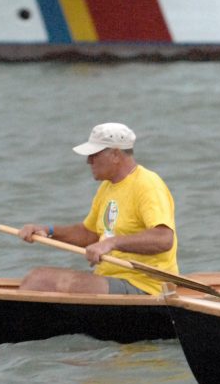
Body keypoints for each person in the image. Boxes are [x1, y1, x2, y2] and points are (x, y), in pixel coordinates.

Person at [15, 123, 178, 295]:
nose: (88, 161)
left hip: (145, 284)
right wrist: (47, 230)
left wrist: (111, 243)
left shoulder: (147, 185)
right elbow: (89, 234)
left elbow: (164, 238)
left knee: (38, 280)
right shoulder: (107, 187)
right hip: (110, 277)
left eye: (94, 155)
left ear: (115, 154)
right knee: (37, 279)